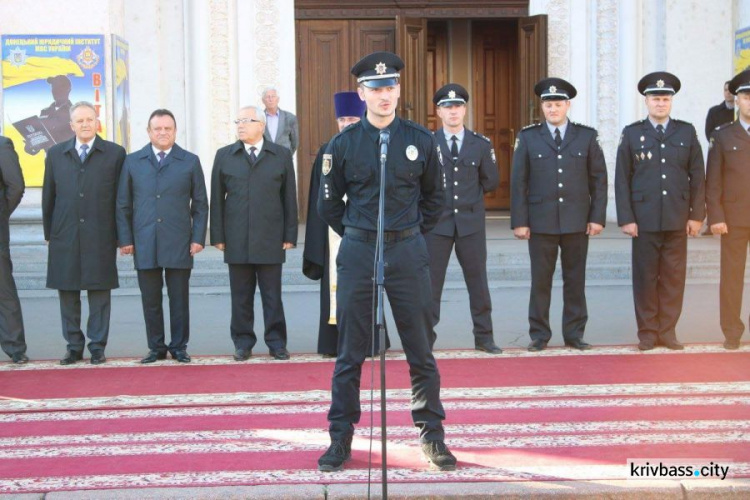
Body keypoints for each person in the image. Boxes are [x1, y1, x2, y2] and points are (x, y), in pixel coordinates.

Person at [316, 51, 456, 473]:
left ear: (398, 90)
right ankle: (340, 437)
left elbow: (435, 199)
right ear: (361, 93)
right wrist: (359, 234)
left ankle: (432, 436)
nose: (384, 95)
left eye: (391, 87)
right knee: (350, 350)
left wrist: (408, 232)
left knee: (420, 346)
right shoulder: (342, 145)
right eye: (376, 88)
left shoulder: (420, 139)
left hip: (407, 250)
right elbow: (328, 205)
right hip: (359, 250)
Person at [510, 78, 608, 352]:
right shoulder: (528, 137)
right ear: (542, 107)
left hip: (577, 220)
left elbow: (598, 179)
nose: (553, 108)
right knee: (541, 280)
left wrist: (597, 216)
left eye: (557, 103)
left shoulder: (586, 136)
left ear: (568, 105)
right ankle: (539, 334)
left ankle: (574, 333)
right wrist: (520, 221)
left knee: (575, 280)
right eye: (548, 104)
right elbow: (519, 182)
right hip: (540, 222)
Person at [615, 72, 705, 351]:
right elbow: (622, 178)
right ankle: (648, 332)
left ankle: (668, 331)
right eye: (655, 98)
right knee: (644, 277)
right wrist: (626, 218)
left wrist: (696, 215)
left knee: (673, 277)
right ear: (646, 101)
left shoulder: (686, 131)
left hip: (678, 217)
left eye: (665, 98)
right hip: (644, 219)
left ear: (672, 101)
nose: (660, 103)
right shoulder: (632, 133)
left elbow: (697, 175)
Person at [116, 109, 208, 364]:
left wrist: (198, 237)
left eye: (168, 128)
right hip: (145, 239)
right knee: (151, 299)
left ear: (175, 131)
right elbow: (123, 203)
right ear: (149, 132)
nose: (163, 132)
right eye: (158, 129)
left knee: (179, 298)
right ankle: (156, 347)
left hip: (179, 240)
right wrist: (125, 239)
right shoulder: (133, 161)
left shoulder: (189, 161)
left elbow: (200, 204)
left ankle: (179, 346)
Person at [210, 106, 298, 361]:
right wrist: (217, 235)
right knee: (240, 297)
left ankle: (276, 342)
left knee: (273, 296)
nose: (240, 125)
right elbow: (217, 198)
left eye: (246, 121)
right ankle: (243, 342)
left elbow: (289, 198)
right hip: (236, 238)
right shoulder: (225, 155)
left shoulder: (280, 155)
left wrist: (290, 234)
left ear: (261, 125)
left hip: (271, 237)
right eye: (238, 121)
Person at [42, 101, 126, 365]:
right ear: (71, 125)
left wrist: (122, 237)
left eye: (90, 119)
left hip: (101, 234)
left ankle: (98, 346)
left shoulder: (114, 153)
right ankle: (74, 346)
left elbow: (121, 199)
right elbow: (49, 198)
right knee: (68, 293)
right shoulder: (56, 154)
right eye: (80, 121)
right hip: (64, 235)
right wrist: (49, 233)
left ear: (97, 121)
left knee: (99, 293)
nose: (85, 124)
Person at [426, 83, 501, 353]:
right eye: (447, 107)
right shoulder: (428, 142)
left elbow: (491, 181)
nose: (453, 111)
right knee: (431, 285)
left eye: (457, 106)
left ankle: (484, 337)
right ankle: (426, 340)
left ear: (465, 109)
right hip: (437, 225)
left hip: (470, 224)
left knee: (478, 283)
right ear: (439, 111)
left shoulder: (480, 144)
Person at [303, 91, 366, 357]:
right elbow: (318, 197)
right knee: (335, 283)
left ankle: (367, 341)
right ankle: (333, 342)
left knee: (366, 285)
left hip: (365, 229)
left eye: (352, 118)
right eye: (342, 119)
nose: (346, 123)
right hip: (334, 230)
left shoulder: (374, 146)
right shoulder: (327, 150)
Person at [706, 69, 750, 350]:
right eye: (746, 96)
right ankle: (732, 331)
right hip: (734, 219)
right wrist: (716, 217)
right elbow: (713, 180)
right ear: (737, 100)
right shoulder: (723, 136)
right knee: (732, 276)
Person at [0, 135, 28, 364]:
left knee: (3, 290)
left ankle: (15, 348)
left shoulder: (2, 144)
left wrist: (1, 216)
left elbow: (16, 186)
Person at [26, 75, 74, 155]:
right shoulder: (45, 112)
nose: (54, 90)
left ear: (68, 90)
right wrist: (31, 145)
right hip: (49, 162)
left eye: (59, 87)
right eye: (53, 87)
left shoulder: (76, 112)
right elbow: (37, 146)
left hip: (69, 161)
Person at [261, 87, 299, 155]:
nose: (270, 99)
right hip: (264, 158)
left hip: (284, 158)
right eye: (267, 97)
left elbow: (295, 142)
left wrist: (288, 154)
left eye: (273, 96)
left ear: (278, 99)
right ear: (263, 100)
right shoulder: (259, 118)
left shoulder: (290, 117)